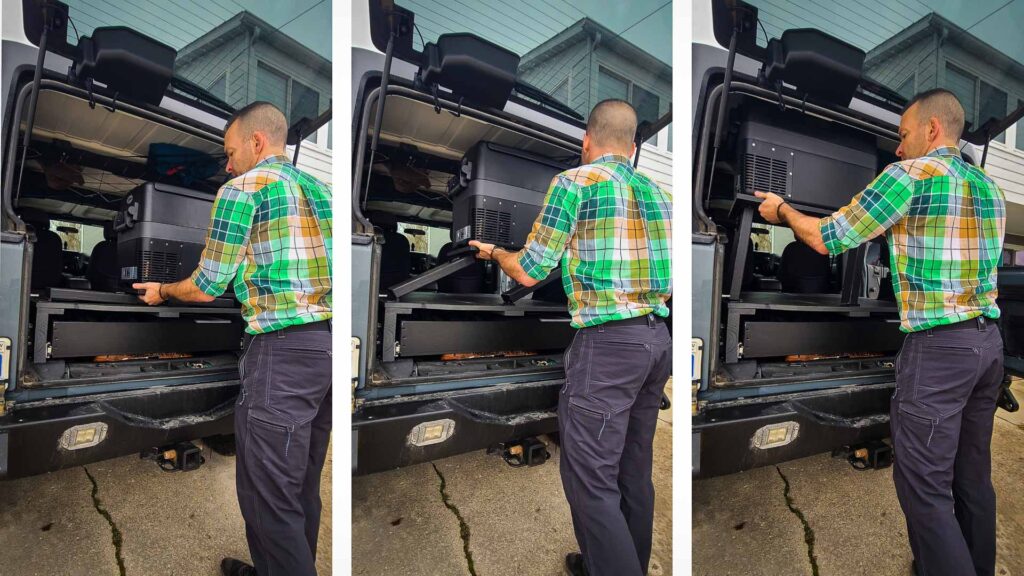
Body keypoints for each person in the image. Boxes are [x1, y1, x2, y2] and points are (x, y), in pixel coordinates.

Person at [755, 88, 1005, 576]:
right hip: (986, 345)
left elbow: (827, 238)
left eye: (903, 134)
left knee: (924, 488)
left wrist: (782, 211)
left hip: (940, 352)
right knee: (972, 477)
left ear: (932, 129)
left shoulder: (909, 176)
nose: (897, 147)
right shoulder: (989, 187)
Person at [470, 99, 672, 576]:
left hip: (607, 347)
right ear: (635, 146)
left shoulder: (574, 182)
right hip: (654, 339)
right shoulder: (661, 194)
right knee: (632, 470)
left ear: (586, 141)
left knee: (590, 480)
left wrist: (495, 251)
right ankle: (613, 563)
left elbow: (529, 269)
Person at [134, 101, 333, 576]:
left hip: (281, 355)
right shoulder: (322, 190)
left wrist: (161, 289)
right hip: (327, 350)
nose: (226, 164)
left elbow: (206, 286)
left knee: (268, 498)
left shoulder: (242, 188)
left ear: (256, 142)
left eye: (229, 151)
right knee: (300, 486)